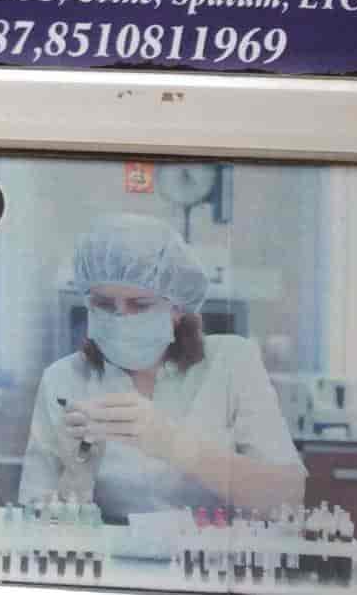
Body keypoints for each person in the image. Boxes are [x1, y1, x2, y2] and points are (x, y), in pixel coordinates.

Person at [17, 214, 305, 518]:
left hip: (211, 547)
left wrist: (174, 444)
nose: (120, 318)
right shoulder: (63, 379)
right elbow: (34, 514)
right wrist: (76, 474)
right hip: (112, 548)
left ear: (177, 308)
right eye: (103, 304)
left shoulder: (232, 363)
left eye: (140, 305)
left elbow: (287, 499)